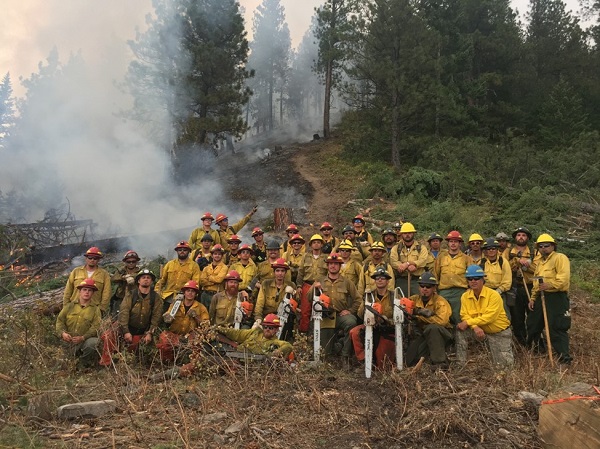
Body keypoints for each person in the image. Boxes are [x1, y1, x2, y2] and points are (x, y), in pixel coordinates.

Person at [99, 269, 163, 366]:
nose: (146, 280)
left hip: (142, 330)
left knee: (134, 352)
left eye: (148, 278)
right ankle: (106, 362)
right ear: (138, 281)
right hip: (126, 326)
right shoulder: (130, 295)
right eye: (143, 277)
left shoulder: (156, 298)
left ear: (152, 281)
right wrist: (126, 331)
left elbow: (156, 317)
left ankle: (126, 359)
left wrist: (150, 333)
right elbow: (123, 313)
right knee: (109, 335)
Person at [456, 265, 514, 368]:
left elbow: (490, 317)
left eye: (476, 278)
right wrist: (475, 327)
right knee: (461, 331)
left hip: (499, 333)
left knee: (504, 367)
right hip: (480, 331)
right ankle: (460, 365)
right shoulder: (465, 296)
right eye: (470, 279)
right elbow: (464, 315)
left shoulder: (494, 295)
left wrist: (469, 323)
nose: (473, 281)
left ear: (483, 280)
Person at [526, 233, 572, 364]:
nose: (544, 248)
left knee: (557, 326)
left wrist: (550, 285)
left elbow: (563, 279)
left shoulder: (560, 258)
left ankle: (564, 358)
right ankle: (538, 351)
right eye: (541, 246)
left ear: (553, 246)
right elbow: (536, 283)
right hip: (541, 297)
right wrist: (533, 298)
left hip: (556, 296)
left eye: (547, 245)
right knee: (532, 324)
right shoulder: (539, 262)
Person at [308, 253, 359, 358]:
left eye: (336, 264)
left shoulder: (347, 282)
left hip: (341, 315)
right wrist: (314, 287)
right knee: (325, 352)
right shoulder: (320, 280)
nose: (333, 266)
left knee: (351, 322)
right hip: (325, 316)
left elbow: (358, 299)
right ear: (327, 266)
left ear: (340, 266)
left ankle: (345, 355)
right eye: (331, 264)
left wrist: (350, 311)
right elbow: (309, 298)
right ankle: (337, 347)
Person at [349, 267, 396, 369]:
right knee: (354, 332)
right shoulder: (369, 295)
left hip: (387, 330)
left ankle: (378, 364)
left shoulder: (394, 296)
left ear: (388, 281)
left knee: (382, 365)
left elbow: (399, 318)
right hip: (371, 326)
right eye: (377, 278)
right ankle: (364, 361)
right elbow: (360, 315)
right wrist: (366, 304)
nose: (379, 280)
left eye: (382, 278)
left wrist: (387, 320)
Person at [405, 272, 453, 370]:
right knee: (410, 360)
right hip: (424, 334)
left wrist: (419, 316)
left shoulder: (440, 301)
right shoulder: (414, 299)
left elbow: (442, 321)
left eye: (428, 286)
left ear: (434, 288)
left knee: (433, 328)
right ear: (419, 287)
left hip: (443, 334)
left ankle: (440, 363)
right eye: (422, 286)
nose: (425, 289)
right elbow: (402, 305)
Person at [157, 280, 210, 363]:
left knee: (198, 345)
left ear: (196, 294)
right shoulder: (176, 304)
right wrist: (167, 317)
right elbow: (168, 316)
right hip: (174, 334)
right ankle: (167, 362)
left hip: (190, 336)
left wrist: (196, 316)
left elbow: (206, 325)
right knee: (163, 339)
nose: (190, 293)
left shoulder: (200, 307)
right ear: (184, 292)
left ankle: (190, 365)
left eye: (193, 291)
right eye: (188, 291)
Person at [56, 279, 102, 367]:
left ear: (93, 293)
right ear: (80, 291)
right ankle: (71, 361)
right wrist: (63, 333)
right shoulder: (69, 306)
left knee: (93, 342)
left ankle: (82, 364)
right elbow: (60, 321)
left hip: (83, 341)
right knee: (61, 366)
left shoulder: (95, 310)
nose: (87, 292)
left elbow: (96, 327)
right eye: (84, 290)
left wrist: (83, 337)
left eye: (90, 290)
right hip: (67, 341)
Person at [434, 231, 473, 325]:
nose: (453, 244)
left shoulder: (466, 259)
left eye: (456, 241)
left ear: (460, 244)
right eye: (451, 241)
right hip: (443, 292)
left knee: (458, 317)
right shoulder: (441, 258)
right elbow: (436, 275)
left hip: (460, 292)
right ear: (448, 243)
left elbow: (472, 277)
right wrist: (435, 290)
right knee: (442, 317)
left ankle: (459, 339)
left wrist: (470, 289)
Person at [508, 227, 538, 346]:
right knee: (516, 317)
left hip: (530, 287)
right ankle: (521, 343)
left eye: (524, 235)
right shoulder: (508, 252)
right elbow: (504, 267)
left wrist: (527, 266)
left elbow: (538, 269)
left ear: (527, 238)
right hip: (514, 287)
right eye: (519, 235)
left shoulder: (534, 252)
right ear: (515, 237)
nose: (521, 237)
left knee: (533, 315)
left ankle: (534, 341)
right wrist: (516, 261)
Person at [217, 313, 293, 359]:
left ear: (276, 330)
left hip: (249, 365)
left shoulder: (274, 342)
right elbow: (237, 334)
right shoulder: (255, 332)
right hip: (235, 355)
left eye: (270, 328)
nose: (267, 329)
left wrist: (276, 353)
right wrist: (220, 329)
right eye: (265, 327)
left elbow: (288, 346)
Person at [254, 259, 296, 340]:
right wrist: (258, 319)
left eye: (282, 271)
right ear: (274, 272)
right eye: (277, 271)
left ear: (285, 273)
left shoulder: (291, 285)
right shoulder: (266, 284)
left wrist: (294, 294)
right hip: (267, 319)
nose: (280, 273)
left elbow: (296, 306)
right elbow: (259, 303)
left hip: (285, 320)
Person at [63, 246, 112, 316]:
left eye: (95, 258)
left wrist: (102, 309)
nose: (92, 260)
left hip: (94, 310)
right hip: (74, 308)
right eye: (90, 258)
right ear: (86, 258)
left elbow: (107, 293)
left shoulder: (104, 274)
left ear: (99, 260)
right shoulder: (76, 271)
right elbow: (68, 290)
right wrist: (66, 307)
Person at [155, 241, 201, 312]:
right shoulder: (170, 264)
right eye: (180, 250)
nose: (182, 252)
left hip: (184, 299)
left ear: (189, 251)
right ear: (177, 251)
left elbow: (195, 284)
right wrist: (157, 293)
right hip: (168, 297)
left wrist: (188, 296)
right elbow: (162, 280)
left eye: (185, 250)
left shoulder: (194, 266)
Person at [296, 234, 328, 332]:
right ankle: (303, 333)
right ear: (311, 245)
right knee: (305, 311)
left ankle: (319, 334)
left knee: (321, 311)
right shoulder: (306, 257)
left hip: (321, 287)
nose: (316, 244)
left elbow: (328, 273)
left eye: (318, 242)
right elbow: (301, 272)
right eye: (314, 242)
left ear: (321, 244)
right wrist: (299, 286)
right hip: (307, 285)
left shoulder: (326, 258)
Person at [389, 222, 428, 297]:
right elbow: (393, 261)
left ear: (413, 234)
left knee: (418, 304)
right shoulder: (396, 248)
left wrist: (412, 264)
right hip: (401, 280)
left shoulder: (421, 248)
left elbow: (423, 260)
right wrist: (401, 266)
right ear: (401, 234)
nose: (407, 235)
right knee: (400, 303)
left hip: (417, 281)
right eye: (405, 233)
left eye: (409, 233)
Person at [480, 238, 512, 318]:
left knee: (504, 313)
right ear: (485, 251)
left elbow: (507, 280)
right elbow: (478, 279)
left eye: (493, 248)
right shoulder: (481, 263)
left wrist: (499, 291)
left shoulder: (503, 262)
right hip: (485, 293)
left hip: (500, 292)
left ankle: (506, 328)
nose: (491, 251)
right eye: (488, 249)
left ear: (497, 250)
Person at [109, 250, 141, 318]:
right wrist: (123, 277)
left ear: (136, 262)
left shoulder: (140, 271)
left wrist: (134, 277)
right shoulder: (121, 271)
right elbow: (113, 279)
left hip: (135, 299)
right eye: (129, 262)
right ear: (125, 262)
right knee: (116, 317)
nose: (131, 263)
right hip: (121, 298)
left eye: (133, 261)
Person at [198, 244, 228, 309]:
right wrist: (213, 282)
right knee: (203, 314)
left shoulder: (224, 268)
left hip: (217, 295)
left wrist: (208, 278)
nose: (217, 255)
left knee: (215, 315)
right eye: (215, 254)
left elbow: (219, 280)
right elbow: (202, 281)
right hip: (205, 294)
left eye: (219, 254)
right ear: (212, 255)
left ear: (222, 256)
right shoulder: (206, 268)